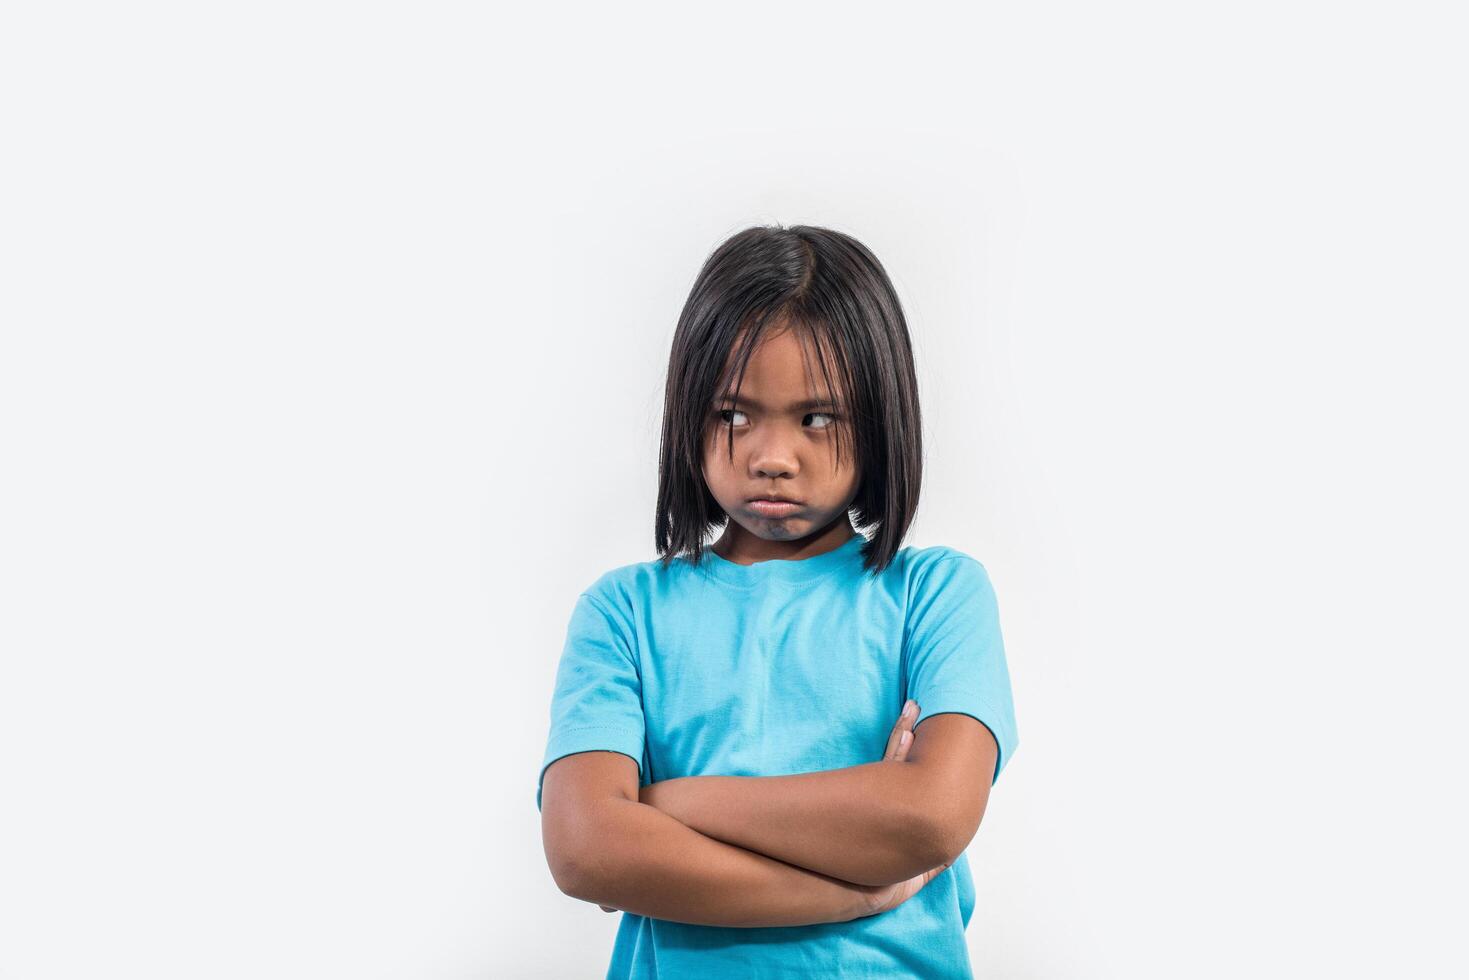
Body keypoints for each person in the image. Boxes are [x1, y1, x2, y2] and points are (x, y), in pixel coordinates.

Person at [535, 224, 1019, 978]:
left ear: (881, 414)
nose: (771, 457)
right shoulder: (624, 612)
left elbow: (929, 817)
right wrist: (853, 891)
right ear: (687, 414)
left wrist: (661, 804)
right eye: (732, 415)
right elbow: (583, 846)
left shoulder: (935, 595)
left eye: (816, 418)